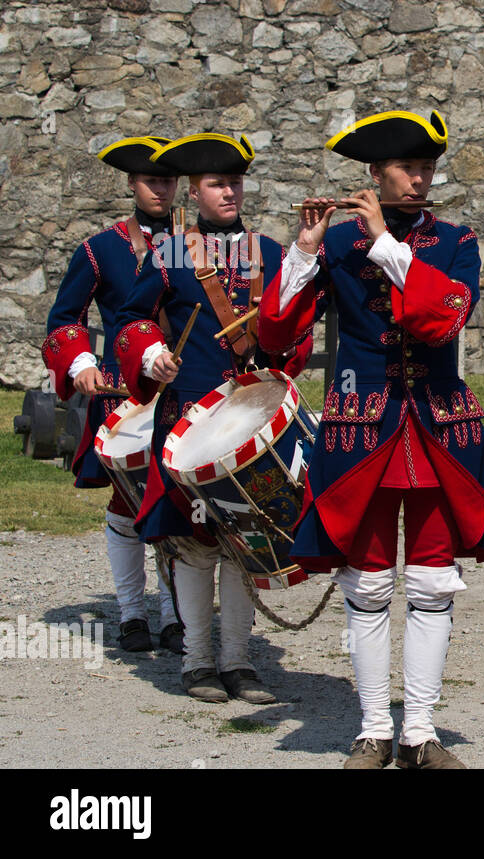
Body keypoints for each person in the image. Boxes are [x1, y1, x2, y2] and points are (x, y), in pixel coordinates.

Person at [260, 110, 484, 770]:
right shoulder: (335, 245)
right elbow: (278, 336)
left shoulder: (456, 240)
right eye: (406, 169)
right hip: (357, 433)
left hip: (439, 431)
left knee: (431, 582)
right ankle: (372, 728)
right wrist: (306, 250)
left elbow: (446, 315)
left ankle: (421, 731)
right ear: (374, 174)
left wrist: (384, 243)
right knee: (365, 585)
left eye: (427, 169)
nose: (420, 180)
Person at [116, 132, 310, 705]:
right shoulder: (170, 253)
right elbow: (131, 320)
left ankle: (239, 662)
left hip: (251, 420)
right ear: (194, 193)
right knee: (194, 544)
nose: (230, 192)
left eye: (235, 182)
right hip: (189, 422)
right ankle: (198, 662)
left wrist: (283, 361)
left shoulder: (269, 252)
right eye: (217, 184)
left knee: (244, 543)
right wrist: (152, 354)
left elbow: (295, 325)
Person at [42, 136, 183, 654]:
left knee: (181, 502)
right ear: (131, 183)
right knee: (126, 503)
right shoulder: (100, 249)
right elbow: (65, 319)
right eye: (152, 180)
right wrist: (79, 362)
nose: (161, 189)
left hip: (184, 388)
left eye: (169, 179)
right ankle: (130, 613)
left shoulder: (201, 243)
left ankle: (175, 614)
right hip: (120, 392)